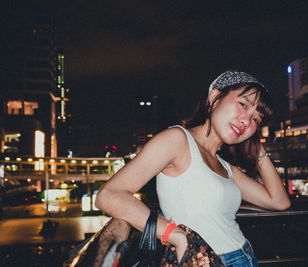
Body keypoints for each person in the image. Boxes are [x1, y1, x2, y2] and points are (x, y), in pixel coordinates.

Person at [95, 70, 291, 266]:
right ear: (215, 97)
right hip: (207, 260)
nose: (247, 121)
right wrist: (176, 235)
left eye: (256, 119)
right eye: (243, 104)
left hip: (245, 256)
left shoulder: (225, 167)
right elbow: (109, 195)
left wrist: (258, 149)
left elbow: (279, 202)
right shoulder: (177, 140)